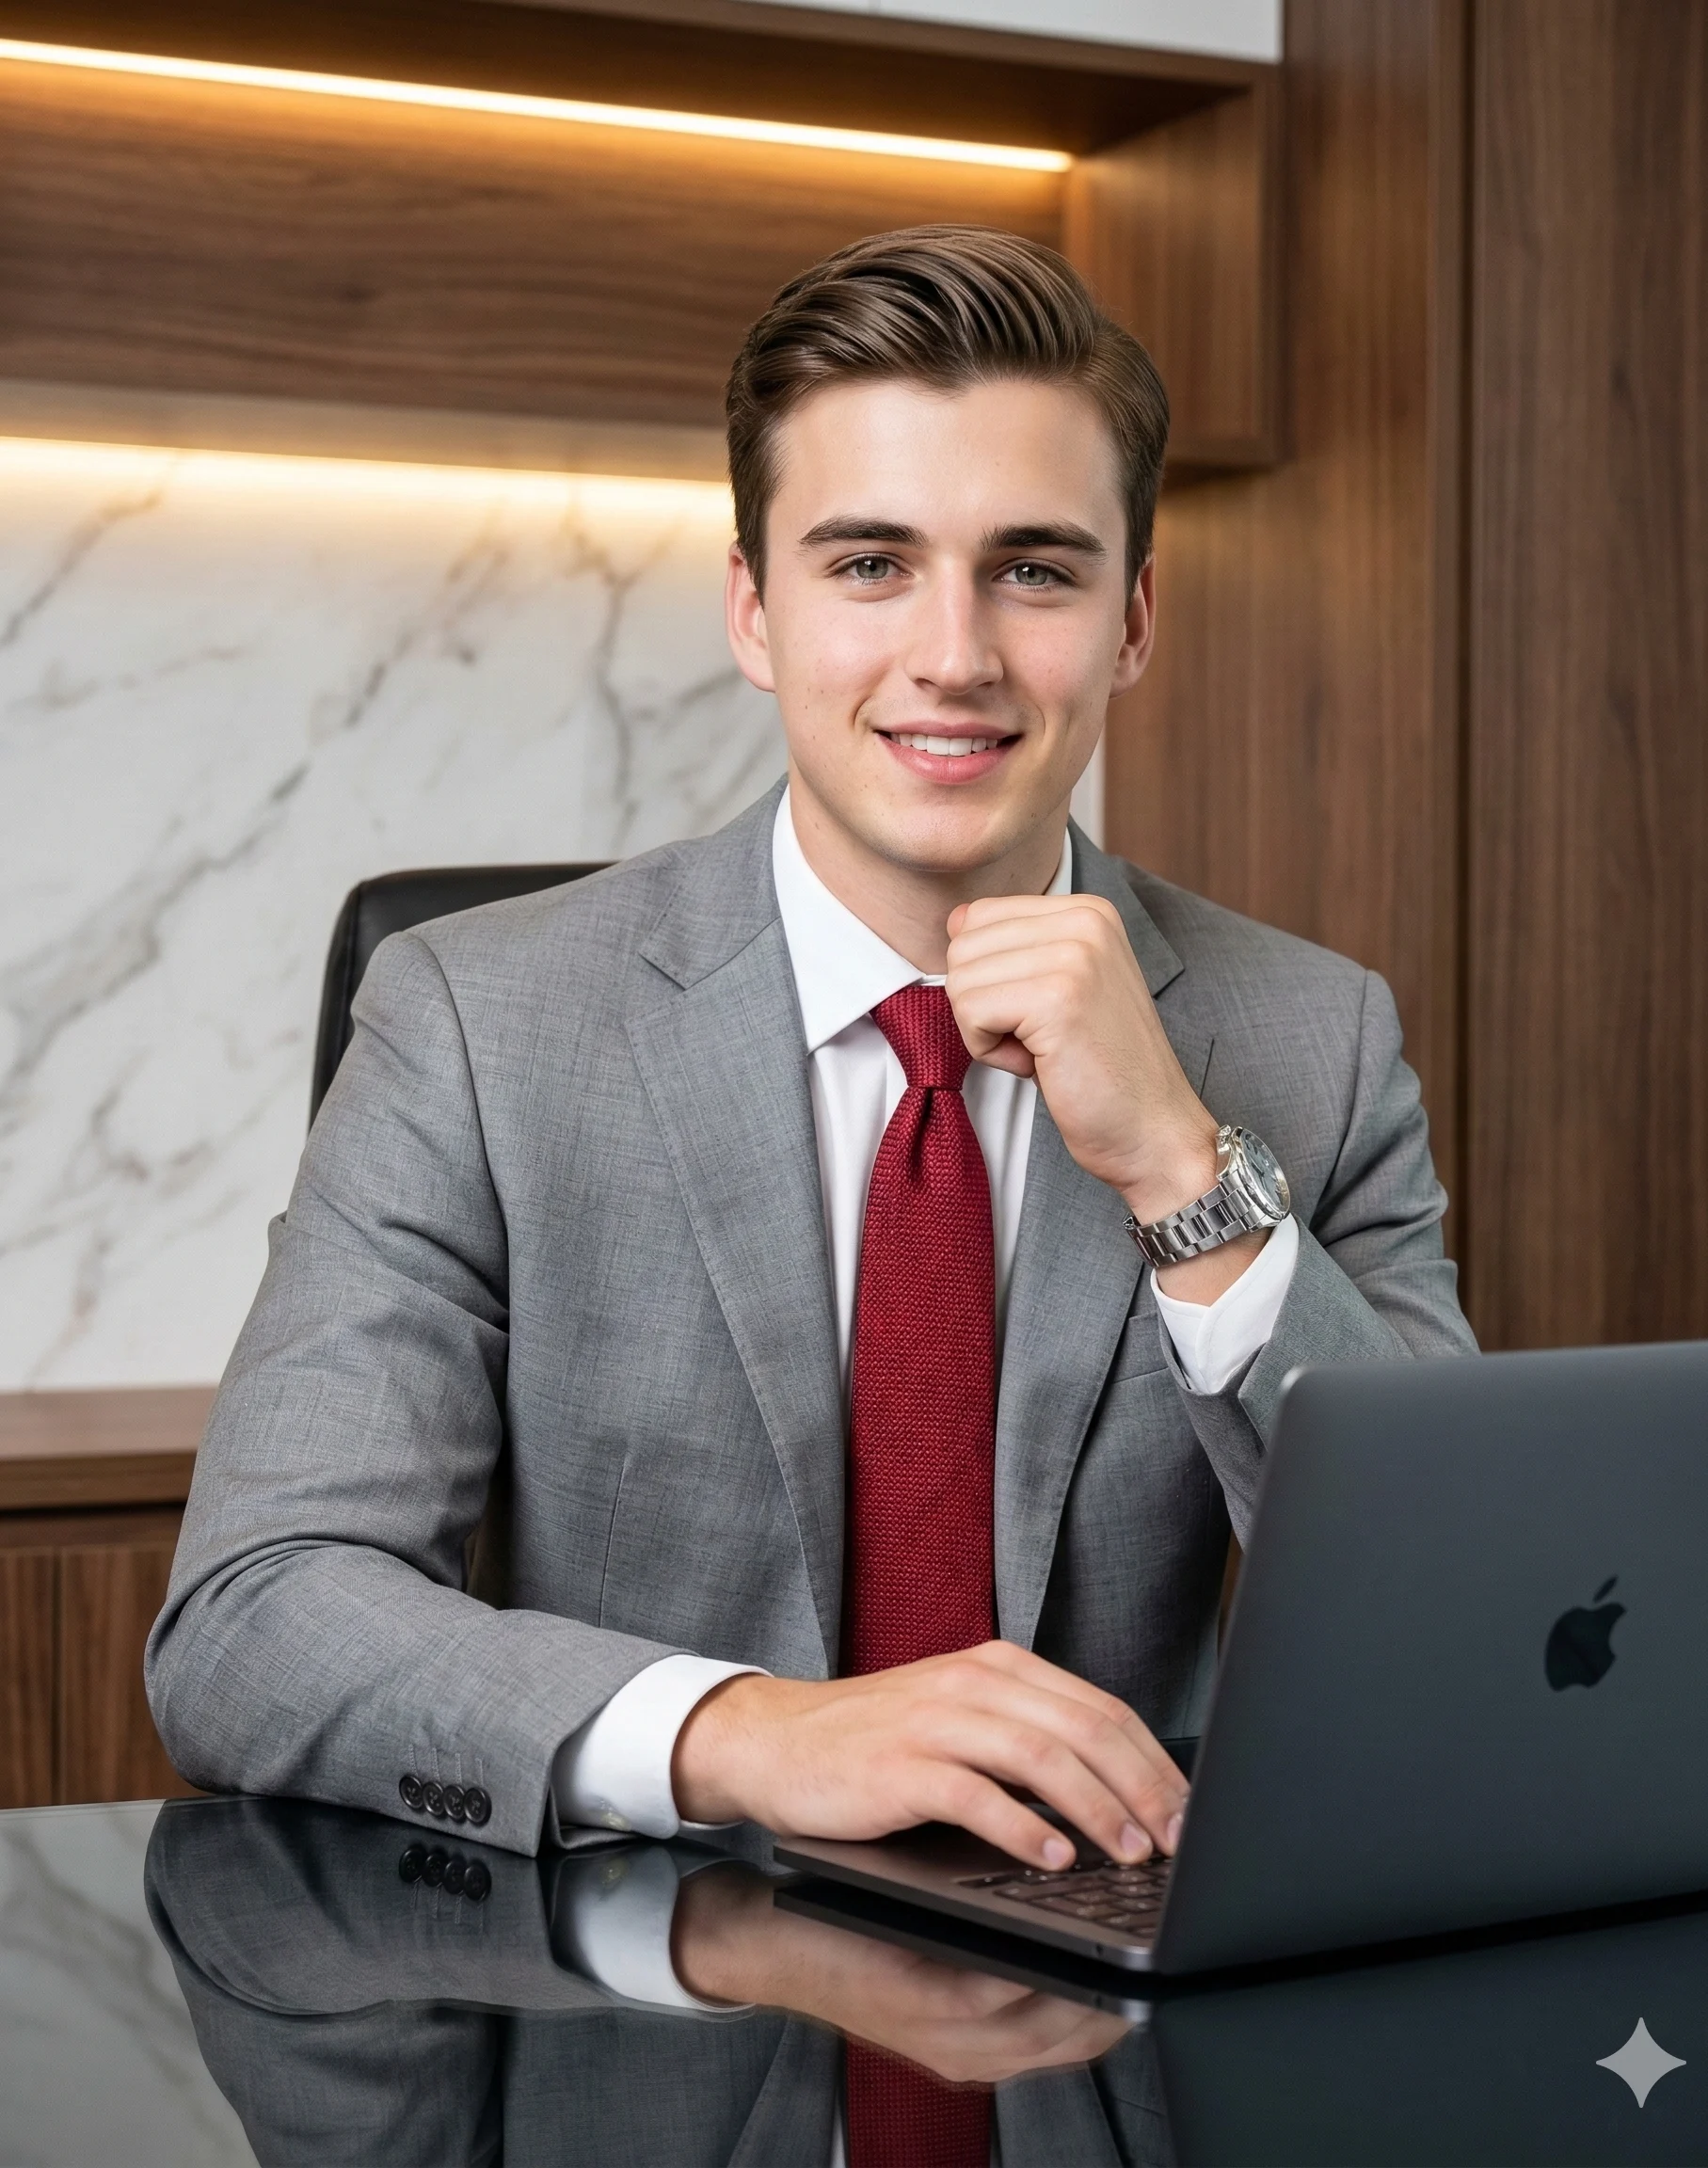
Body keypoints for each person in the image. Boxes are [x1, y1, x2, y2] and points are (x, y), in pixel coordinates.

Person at [148, 225, 1473, 2153]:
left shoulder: (1305, 1039)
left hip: (1106, 2051)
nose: (953, 653)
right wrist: (742, 1731)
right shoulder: (480, 1020)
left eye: (1034, 568)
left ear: (1131, 620)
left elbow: (1457, 1642)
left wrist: (1181, 1167)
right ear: (756, 609)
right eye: (869, 564)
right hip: (631, 2019)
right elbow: (254, 1620)